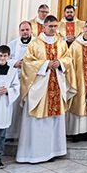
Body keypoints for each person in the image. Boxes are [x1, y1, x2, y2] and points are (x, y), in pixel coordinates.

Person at [16, 15, 74, 163]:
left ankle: (54, 151)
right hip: (40, 87)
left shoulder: (61, 43)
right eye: (50, 26)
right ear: (44, 26)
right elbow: (28, 63)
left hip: (56, 84)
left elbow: (68, 59)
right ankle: (37, 154)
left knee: (54, 119)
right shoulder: (35, 43)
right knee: (39, 121)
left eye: (55, 26)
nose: (53, 29)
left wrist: (60, 63)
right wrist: (46, 64)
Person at [6, 21, 33, 140]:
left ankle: (26, 134)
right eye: (22, 30)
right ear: (19, 31)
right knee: (15, 107)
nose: (25, 32)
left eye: (27, 30)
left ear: (31, 30)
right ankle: (12, 134)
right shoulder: (12, 44)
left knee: (28, 107)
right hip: (16, 79)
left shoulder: (36, 43)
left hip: (32, 81)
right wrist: (15, 63)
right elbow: (5, 58)